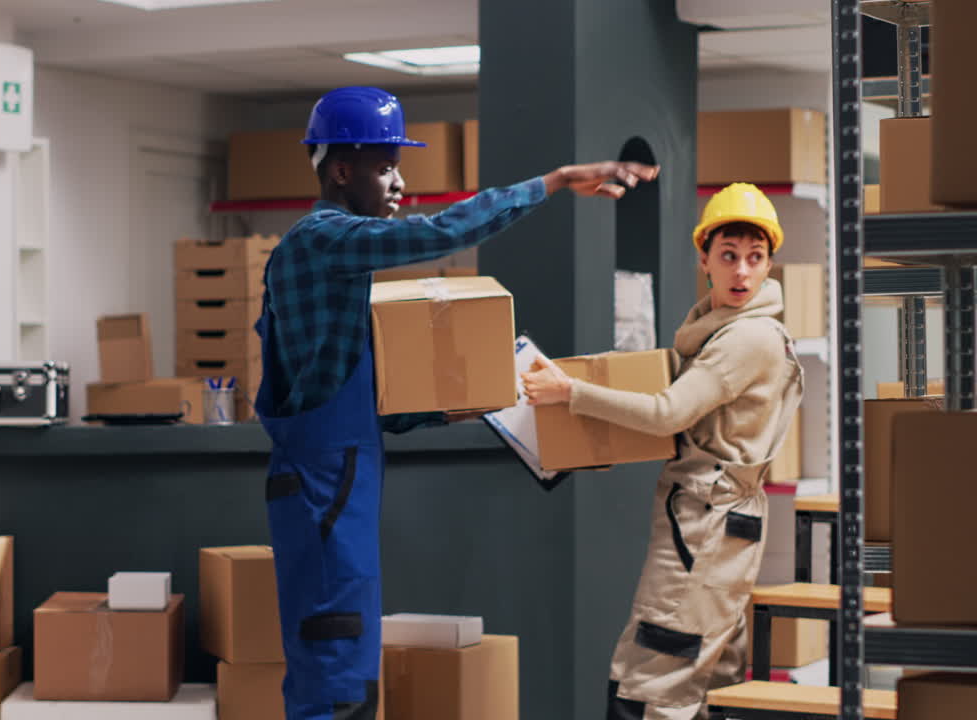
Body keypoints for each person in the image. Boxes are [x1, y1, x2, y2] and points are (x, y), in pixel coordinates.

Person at [252, 85, 658, 720]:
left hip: (333, 480)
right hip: (322, 489)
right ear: (341, 171)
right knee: (334, 664)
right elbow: (439, 233)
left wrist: (452, 407)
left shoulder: (333, 265)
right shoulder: (322, 240)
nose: (399, 182)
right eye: (385, 167)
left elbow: (344, 390)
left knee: (345, 658)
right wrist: (552, 182)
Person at [521, 182, 805, 720]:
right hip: (712, 518)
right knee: (705, 668)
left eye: (755, 258)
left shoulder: (746, 339)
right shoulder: (721, 329)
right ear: (705, 259)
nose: (742, 271)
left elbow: (668, 414)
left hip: (710, 521)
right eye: (729, 256)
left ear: (770, 264)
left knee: (657, 671)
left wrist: (571, 393)